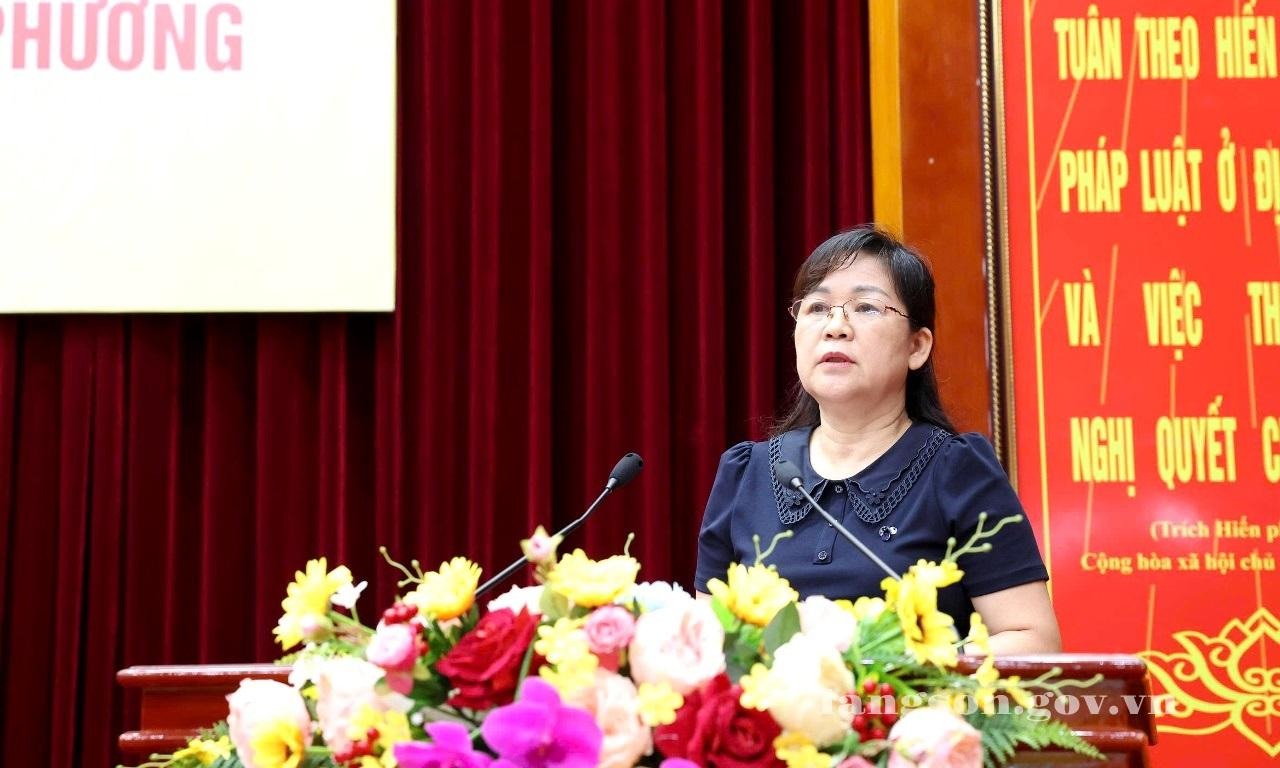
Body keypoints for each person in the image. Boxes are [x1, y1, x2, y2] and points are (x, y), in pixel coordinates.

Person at [694, 225, 1061, 654]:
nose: (835, 326)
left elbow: (1033, 640)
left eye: (866, 307)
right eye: (817, 308)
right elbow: (708, 648)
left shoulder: (956, 471)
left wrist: (905, 671)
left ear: (917, 347)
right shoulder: (745, 475)